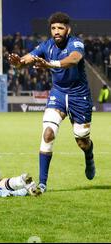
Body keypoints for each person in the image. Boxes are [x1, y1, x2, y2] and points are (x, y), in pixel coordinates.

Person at [8, 12, 95, 193]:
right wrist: (19, 62)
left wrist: (51, 64)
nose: (56, 31)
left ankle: (89, 154)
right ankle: (42, 184)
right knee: (48, 133)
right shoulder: (46, 45)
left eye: (60, 28)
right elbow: (28, 58)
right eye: (53, 28)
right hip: (58, 94)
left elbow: (74, 59)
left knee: (82, 140)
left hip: (79, 96)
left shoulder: (76, 43)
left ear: (68, 29)